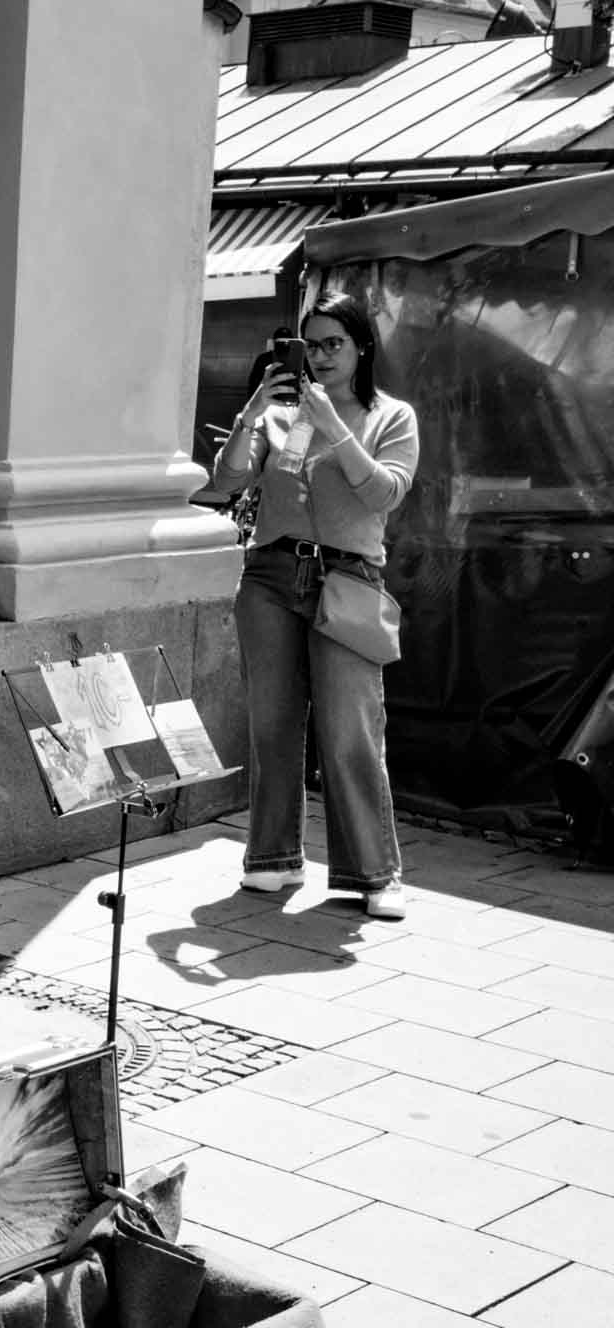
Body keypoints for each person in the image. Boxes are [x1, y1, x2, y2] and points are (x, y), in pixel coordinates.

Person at [209, 293, 419, 921]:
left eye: (334, 343)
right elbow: (229, 481)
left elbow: (383, 493)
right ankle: (273, 858)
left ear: (362, 350)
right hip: (272, 575)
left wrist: (334, 426)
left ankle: (374, 871)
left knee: (349, 727)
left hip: (348, 578)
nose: (321, 356)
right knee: (272, 725)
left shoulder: (390, 416)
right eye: (310, 344)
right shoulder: (288, 418)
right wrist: (252, 412)